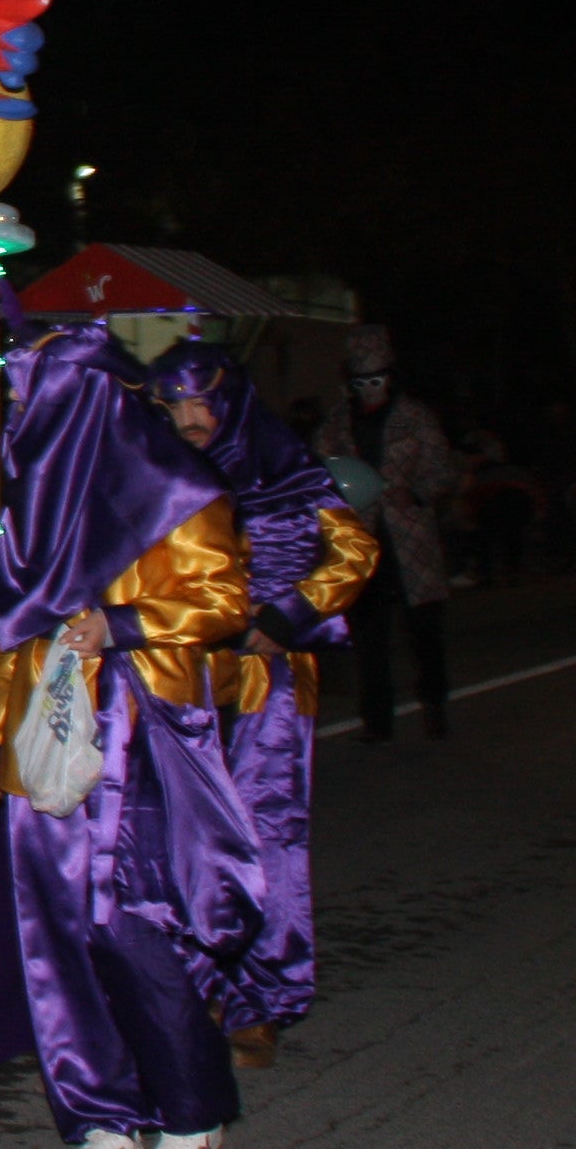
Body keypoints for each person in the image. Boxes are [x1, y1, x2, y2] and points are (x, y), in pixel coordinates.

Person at [0, 323, 264, 1149]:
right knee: (55, 941)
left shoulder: (179, 489)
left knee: (133, 932)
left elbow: (222, 598)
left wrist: (124, 625)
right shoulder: (36, 506)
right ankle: (103, 1119)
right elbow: (11, 638)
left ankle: (191, 1112)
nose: (19, 413)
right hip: (44, 753)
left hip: (138, 746)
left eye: (32, 395)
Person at [149, 340, 379, 1069]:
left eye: (201, 402)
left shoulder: (285, 467)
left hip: (264, 679)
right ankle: (191, 988)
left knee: (267, 832)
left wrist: (287, 617)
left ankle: (259, 999)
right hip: (177, 676)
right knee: (179, 840)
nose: (190, 419)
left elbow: (353, 553)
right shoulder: (156, 473)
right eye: (174, 404)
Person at [320, 324, 458, 739]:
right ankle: (376, 718)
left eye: (376, 380)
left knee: (424, 632)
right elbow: (316, 468)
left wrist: (414, 492)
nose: (369, 389)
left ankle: (435, 705)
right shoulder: (338, 421)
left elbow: (443, 470)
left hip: (410, 539)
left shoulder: (416, 418)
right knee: (368, 636)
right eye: (360, 382)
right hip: (361, 539)